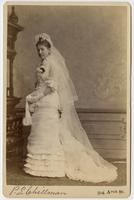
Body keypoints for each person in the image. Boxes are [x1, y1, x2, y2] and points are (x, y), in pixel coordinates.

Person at [23, 33, 118, 183]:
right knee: (44, 131)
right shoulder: (45, 64)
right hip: (44, 102)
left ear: (49, 50)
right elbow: (41, 85)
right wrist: (35, 96)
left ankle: (50, 166)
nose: (40, 52)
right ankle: (43, 166)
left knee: (48, 131)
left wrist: (35, 98)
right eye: (38, 50)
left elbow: (50, 88)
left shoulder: (49, 63)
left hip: (48, 100)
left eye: (42, 49)